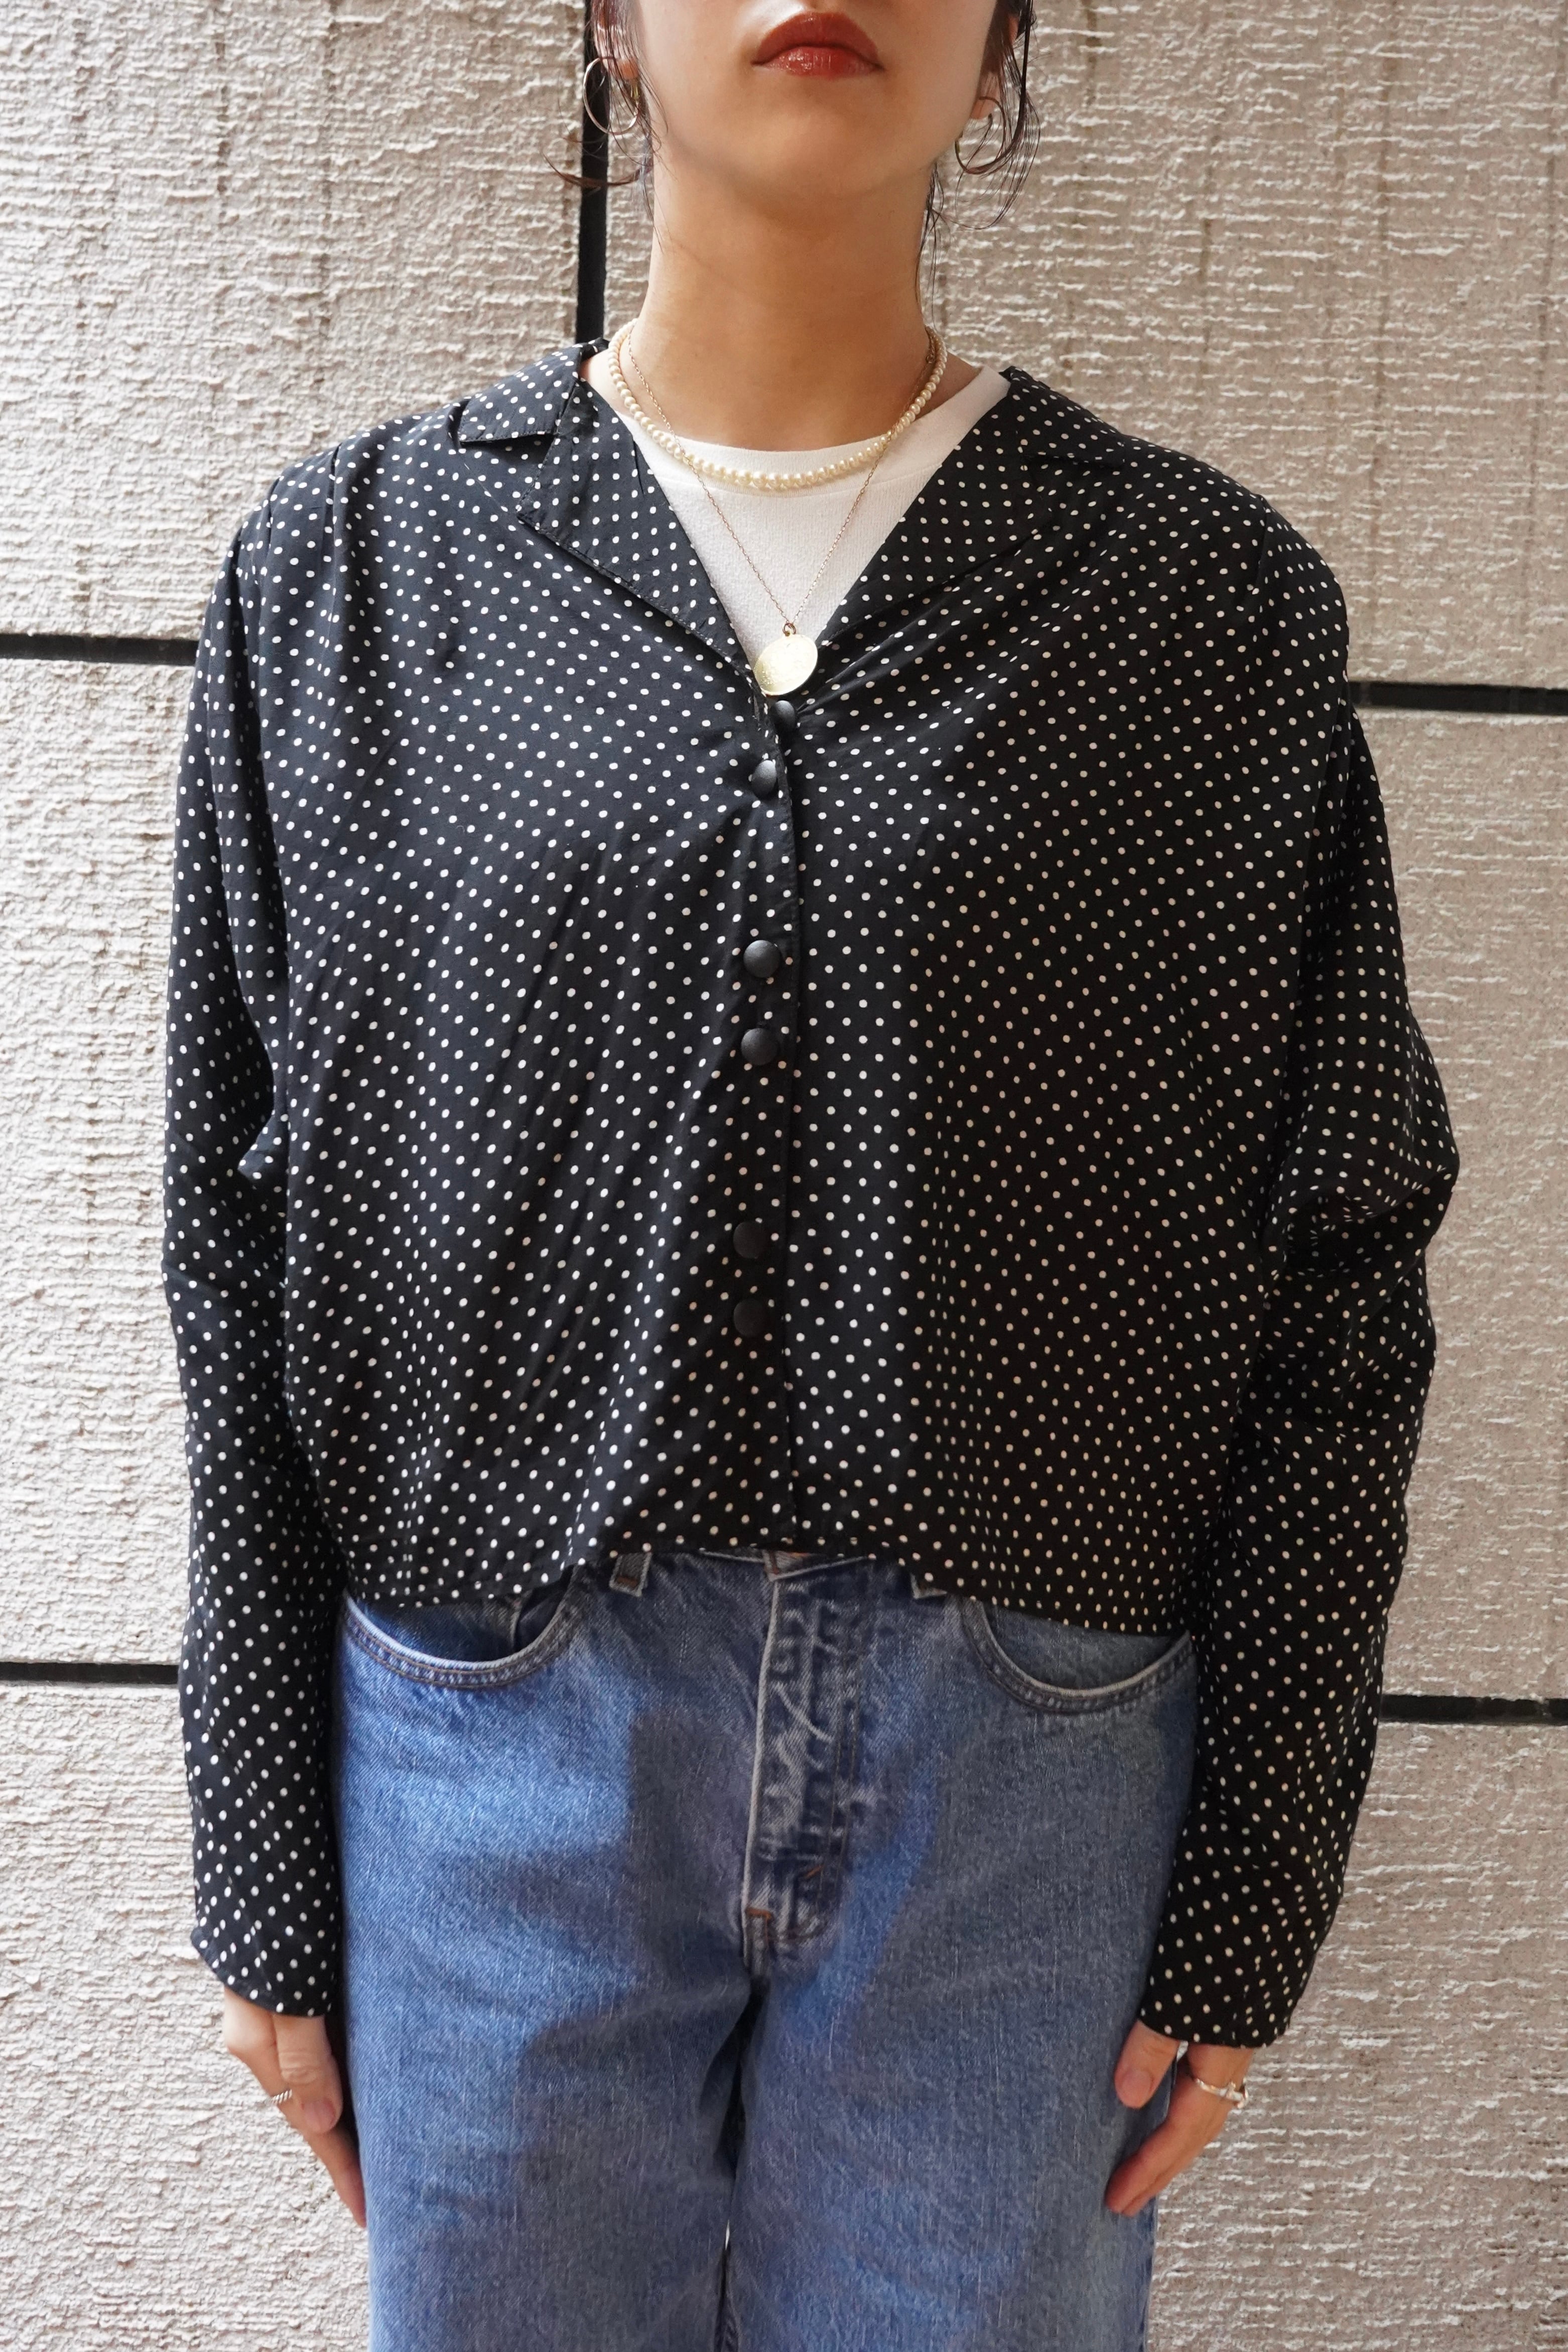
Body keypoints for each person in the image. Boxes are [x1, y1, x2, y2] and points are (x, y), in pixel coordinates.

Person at [164, 4, 1457, 2346]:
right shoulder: (350, 582)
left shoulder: (1200, 611)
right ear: (606, 17)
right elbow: (235, 1251)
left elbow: (1340, 1260)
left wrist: (1255, 1876)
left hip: (1027, 1768)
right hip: (488, 1745)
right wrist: (262, 1848)